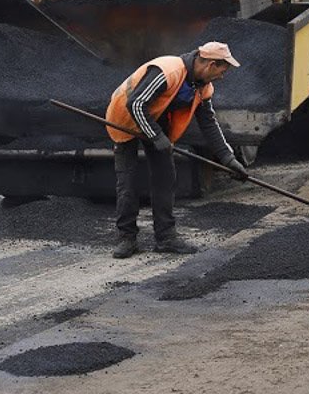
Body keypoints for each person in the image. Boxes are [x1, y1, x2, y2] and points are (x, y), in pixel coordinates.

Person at [105, 41, 248, 259]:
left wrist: (228, 159)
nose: (222, 76)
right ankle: (127, 238)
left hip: (156, 119)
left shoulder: (202, 87)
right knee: (128, 182)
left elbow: (209, 124)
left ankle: (165, 238)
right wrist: (157, 137)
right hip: (124, 118)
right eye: (222, 70)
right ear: (211, 65)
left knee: (165, 177)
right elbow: (135, 104)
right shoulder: (168, 71)